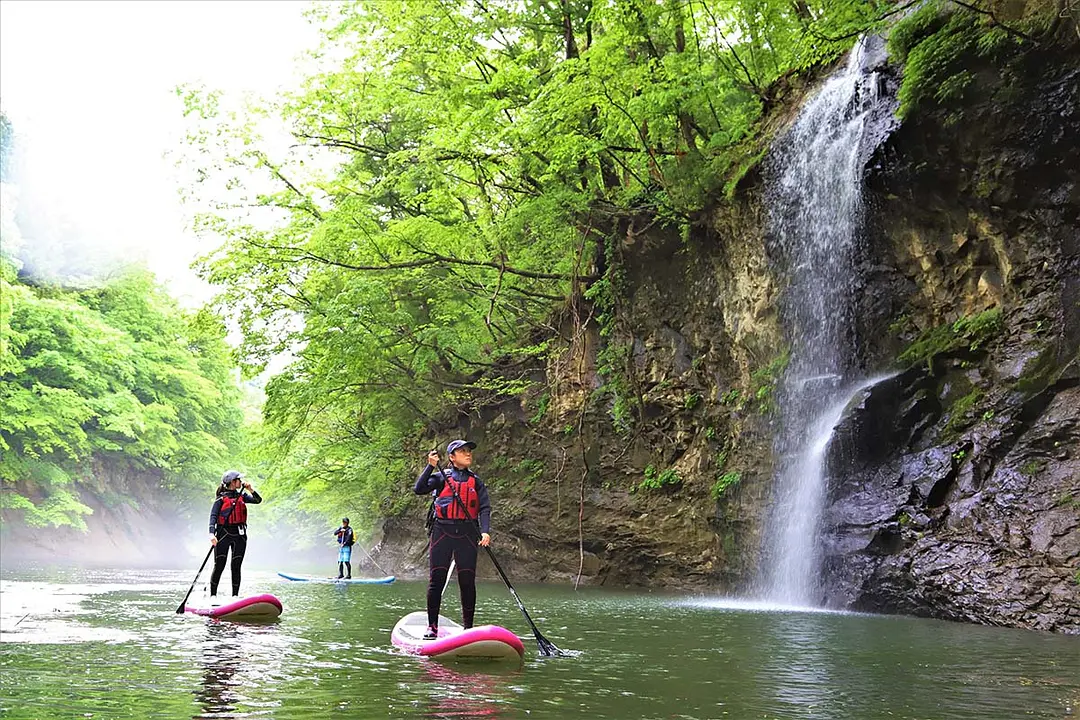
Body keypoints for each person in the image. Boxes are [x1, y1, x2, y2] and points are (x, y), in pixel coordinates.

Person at [413, 440, 491, 640]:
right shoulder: (441, 477)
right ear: (452, 457)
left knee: (467, 582)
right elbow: (419, 488)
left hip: (467, 535)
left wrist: (485, 531)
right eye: (462, 451)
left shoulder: (476, 481)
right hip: (442, 532)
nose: (468, 454)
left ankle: (468, 629)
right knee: (436, 581)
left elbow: (484, 508)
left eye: (469, 451)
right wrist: (430, 466)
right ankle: (432, 627)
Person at [208, 470, 262, 599]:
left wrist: (250, 489)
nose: (241, 481)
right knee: (220, 565)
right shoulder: (220, 499)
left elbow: (258, 500)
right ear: (233, 482)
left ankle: (235, 596)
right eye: (239, 479)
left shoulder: (242, 496)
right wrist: (211, 534)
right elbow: (213, 516)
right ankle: (213, 595)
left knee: (236, 566)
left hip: (240, 535)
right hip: (223, 534)